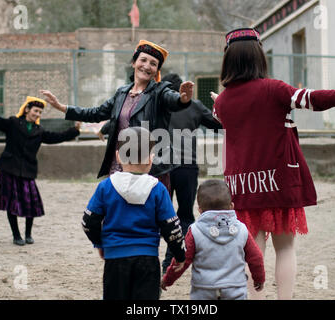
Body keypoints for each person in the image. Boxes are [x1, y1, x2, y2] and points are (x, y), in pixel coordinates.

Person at [210, 27, 335, 299]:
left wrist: (220, 104)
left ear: (228, 59)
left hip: (242, 185)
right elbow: (313, 99)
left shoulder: (221, 102)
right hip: (279, 181)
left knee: (251, 252)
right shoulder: (274, 89)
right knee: (285, 248)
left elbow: (230, 125)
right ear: (259, 56)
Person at [40, 40, 194, 194]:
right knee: (118, 213)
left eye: (153, 63)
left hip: (148, 169)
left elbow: (173, 100)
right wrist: (62, 107)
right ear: (134, 63)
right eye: (143, 60)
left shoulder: (160, 92)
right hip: (120, 166)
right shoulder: (121, 93)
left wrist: (183, 99)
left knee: (148, 214)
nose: (147, 66)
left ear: (156, 71)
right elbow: (96, 113)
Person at [81, 126, 186, 300]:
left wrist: (100, 243)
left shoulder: (105, 186)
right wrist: (180, 254)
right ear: (151, 159)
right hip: (147, 259)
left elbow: (88, 222)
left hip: (115, 259)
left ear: (117, 157)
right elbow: (172, 228)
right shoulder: (157, 189)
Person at [0, 93, 81, 246]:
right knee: (12, 203)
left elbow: (56, 137)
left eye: (40, 112)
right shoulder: (13, 123)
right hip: (9, 168)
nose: (37, 114)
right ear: (27, 109)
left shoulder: (39, 131)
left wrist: (74, 130)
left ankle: (28, 234)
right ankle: (16, 235)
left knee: (31, 202)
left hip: (27, 170)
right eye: (35, 111)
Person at [159, 73, 223, 274]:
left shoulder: (159, 104)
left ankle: (161, 260)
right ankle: (171, 261)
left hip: (162, 168)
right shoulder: (194, 106)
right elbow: (218, 124)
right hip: (187, 167)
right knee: (185, 214)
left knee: (161, 214)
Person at [161, 179, 265, 300]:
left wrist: (168, 279)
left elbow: (182, 260)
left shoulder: (195, 231)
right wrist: (259, 279)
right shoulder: (242, 230)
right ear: (231, 206)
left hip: (204, 289)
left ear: (200, 210)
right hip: (235, 288)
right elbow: (256, 258)